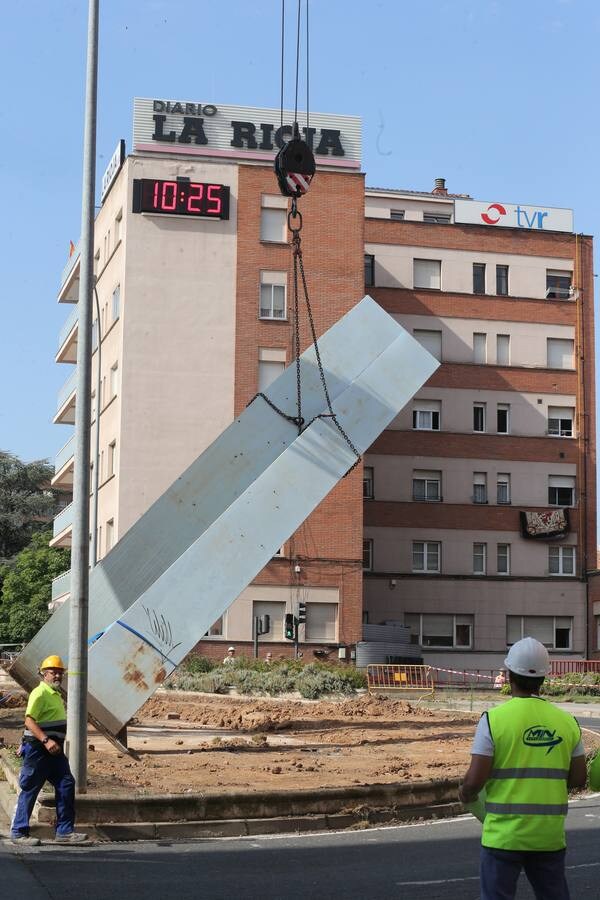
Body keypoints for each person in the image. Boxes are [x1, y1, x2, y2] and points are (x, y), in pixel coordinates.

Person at [459, 637, 585, 900]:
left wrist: (466, 793)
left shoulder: (493, 721)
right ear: (544, 678)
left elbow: (475, 780)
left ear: (508, 675)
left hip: (503, 837)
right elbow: (578, 778)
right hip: (548, 836)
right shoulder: (568, 722)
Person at [10, 655, 88, 846]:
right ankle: (19, 832)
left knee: (66, 783)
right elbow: (29, 720)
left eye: (60, 673)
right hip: (40, 749)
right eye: (53, 672)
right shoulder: (40, 693)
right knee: (31, 787)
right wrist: (45, 741)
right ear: (44, 674)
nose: (57, 676)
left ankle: (64, 832)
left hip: (54, 751)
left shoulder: (55, 694)